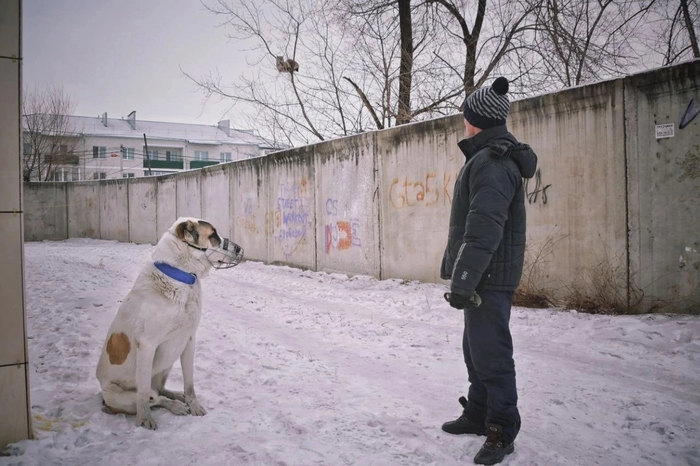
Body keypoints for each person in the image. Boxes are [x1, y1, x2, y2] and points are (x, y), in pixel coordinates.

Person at [440, 76, 537, 465]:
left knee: (492, 355)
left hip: (489, 276)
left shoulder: (492, 163)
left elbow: (484, 230)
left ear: (475, 120)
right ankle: (479, 413)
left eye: (466, 115)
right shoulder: (486, 157)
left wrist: (464, 280)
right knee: (476, 349)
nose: (463, 120)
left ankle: (502, 429)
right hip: (487, 274)